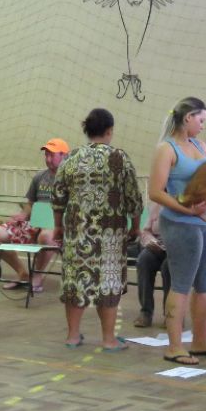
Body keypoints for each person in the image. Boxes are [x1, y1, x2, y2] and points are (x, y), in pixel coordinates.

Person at [148, 97, 206, 366]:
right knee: (182, 283)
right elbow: (155, 192)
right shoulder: (166, 149)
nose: (203, 125)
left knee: (205, 283)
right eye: (200, 120)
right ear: (188, 118)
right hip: (180, 224)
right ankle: (174, 346)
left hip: (205, 221)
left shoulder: (200, 145)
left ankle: (199, 340)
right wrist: (187, 210)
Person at [52, 109, 142, 349]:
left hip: (77, 232)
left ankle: (73, 336)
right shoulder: (119, 158)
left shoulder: (71, 158)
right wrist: (135, 226)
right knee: (108, 283)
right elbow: (133, 197)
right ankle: (108, 339)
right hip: (110, 234)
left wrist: (58, 226)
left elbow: (58, 196)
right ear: (109, 131)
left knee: (75, 282)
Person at [0, 138, 70, 292]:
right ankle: (22, 273)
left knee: (46, 236)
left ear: (64, 155)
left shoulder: (71, 179)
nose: (48, 159)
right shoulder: (39, 177)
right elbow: (31, 203)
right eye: (46, 155)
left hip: (58, 228)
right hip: (35, 223)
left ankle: (37, 276)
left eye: (52, 155)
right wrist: (23, 215)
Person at [132, 202, 171, 329]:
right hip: (158, 245)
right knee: (143, 261)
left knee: (168, 267)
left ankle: (171, 315)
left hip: (177, 246)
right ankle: (146, 312)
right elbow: (146, 231)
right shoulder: (157, 204)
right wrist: (151, 241)